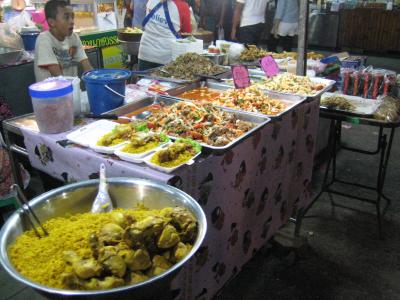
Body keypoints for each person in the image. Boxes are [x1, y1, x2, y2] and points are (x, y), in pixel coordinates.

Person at [34, 0, 92, 82]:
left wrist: (95, 80)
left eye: (72, 17)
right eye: (66, 17)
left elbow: (87, 67)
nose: (72, 21)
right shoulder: (44, 39)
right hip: (51, 93)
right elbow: (58, 76)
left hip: (70, 90)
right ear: (51, 22)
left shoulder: (74, 37)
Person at [138, 0, 191, 70]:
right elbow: (186, 33)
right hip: (167, 57)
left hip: (145, 53)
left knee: (144, 80)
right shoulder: (182, 6)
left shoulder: (151, 1)